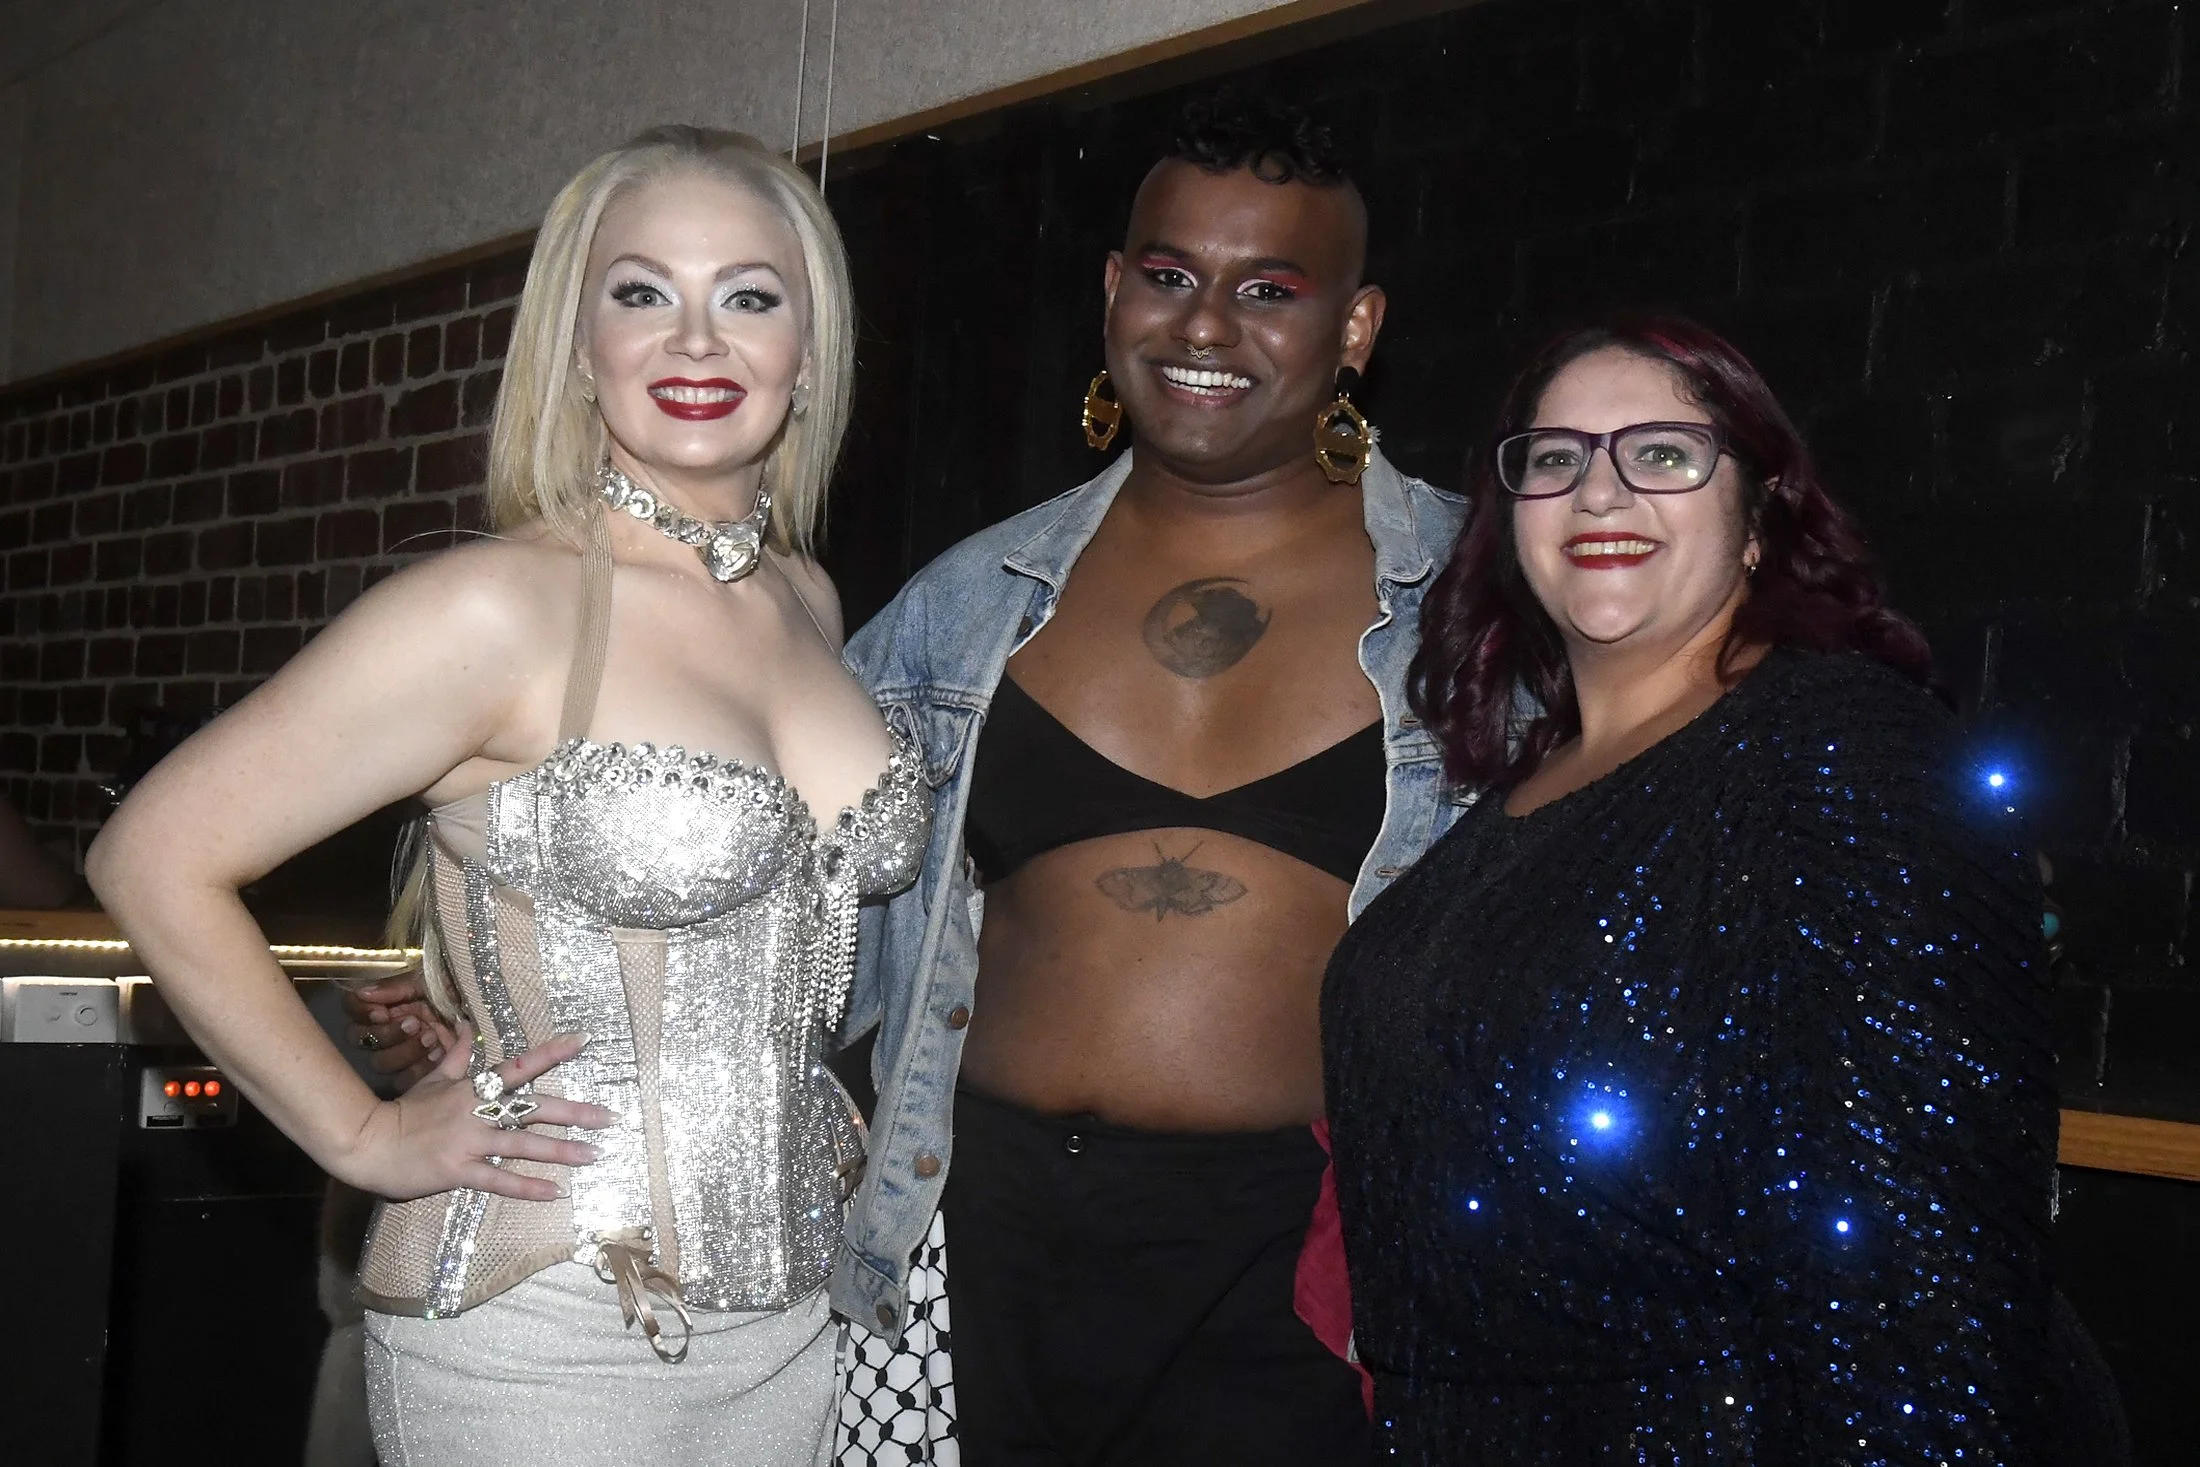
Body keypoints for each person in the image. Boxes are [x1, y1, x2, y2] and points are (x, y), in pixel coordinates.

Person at [87, 124, 926, 1466]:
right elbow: (156, 853)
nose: (696, 342)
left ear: (810, 350)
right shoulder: (496, 609)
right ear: (578, 348)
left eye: (749, 298)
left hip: (797, 1321)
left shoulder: (808, 600)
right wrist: (358, 1128)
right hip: (547, 1325)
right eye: (641, 294)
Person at [1320, 316, 2128, 1462]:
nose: (1599, 492)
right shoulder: (1513, 784)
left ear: (1758, 519)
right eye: (1555, 459)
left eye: (1661, 454)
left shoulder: (1841, 751)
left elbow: (1924, 1280)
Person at [832, 96, 1466, 1464]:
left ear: (1355, 328)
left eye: (1271, 290)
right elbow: (781, 869)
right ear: (1115, 291)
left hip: (1296, 1267)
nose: (1204, 325)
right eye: (1171, 275)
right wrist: (494, 970)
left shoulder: (1478, 605)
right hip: (974, 1228)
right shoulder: (963, 602)